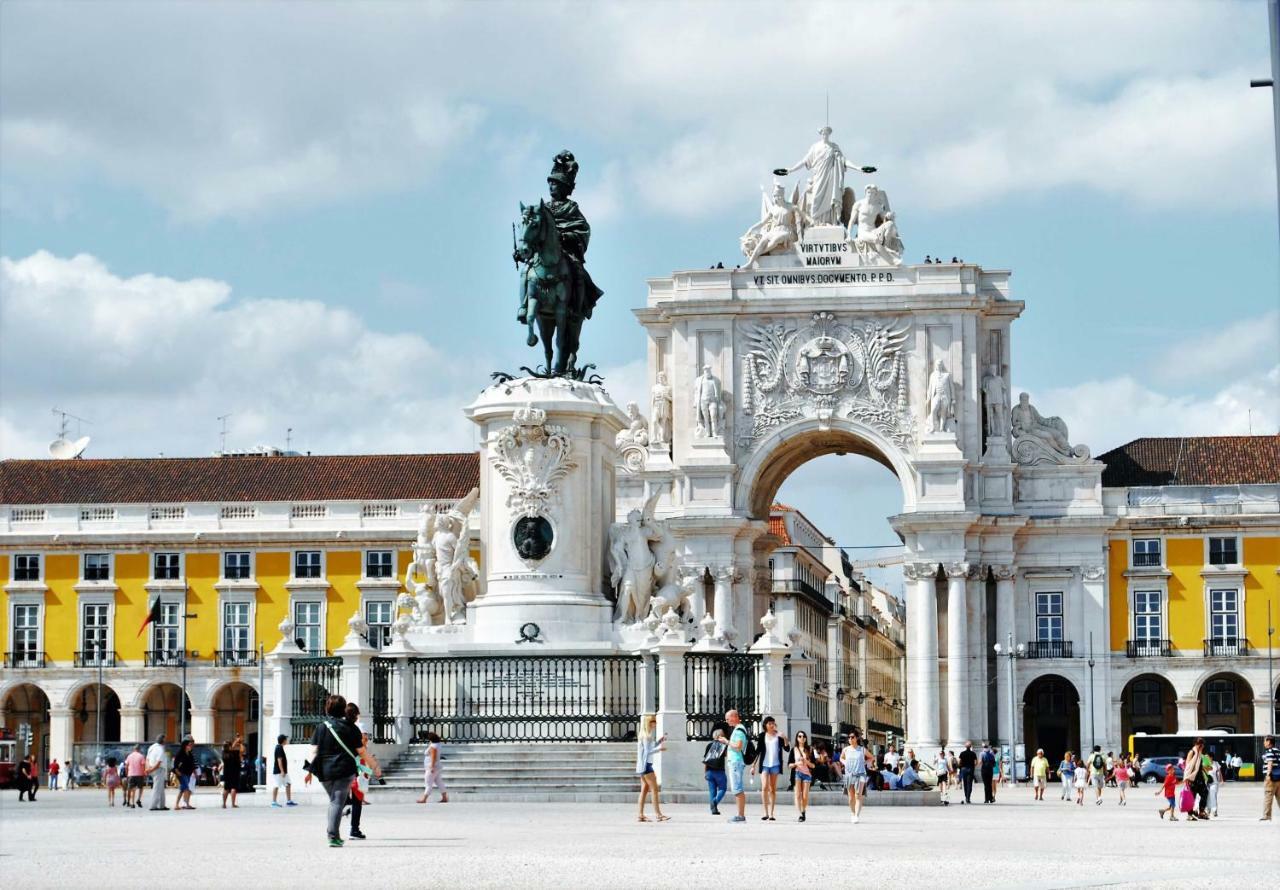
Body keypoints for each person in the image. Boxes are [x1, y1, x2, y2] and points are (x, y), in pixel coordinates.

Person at [303, 693, 365, 848]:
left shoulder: (321, 727)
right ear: (344, 709)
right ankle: (333, 836)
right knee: (337, 802)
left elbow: (313, 751)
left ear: (328, 708)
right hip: (344, 769)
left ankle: (334, 830)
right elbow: (361, 751)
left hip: (324, 771)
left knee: (334, 802)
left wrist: (309, 771)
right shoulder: (351, 727)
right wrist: (374, 767)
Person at [346, 707, 381, 840]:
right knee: (356, 802)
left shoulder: (347, 733)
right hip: (357, 773)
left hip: (346, 770)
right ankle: (354, 829)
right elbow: (361, 760)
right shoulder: (359, 744)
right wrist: (372, 768)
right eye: (365, 736)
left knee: (345, 800)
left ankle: (337, 828)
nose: (367, 738)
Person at [751, 716, 788, 821]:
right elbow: (758, 751)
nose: (771, 725)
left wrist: (785, 738)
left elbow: (787, 748)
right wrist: (753, 765)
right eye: (769, 723)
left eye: (773, 723)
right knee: (764, 787)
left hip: (775, 765)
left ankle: (771, 813)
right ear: (765, 725)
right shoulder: (762, 736)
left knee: (772, 789)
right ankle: (765, 812)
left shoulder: (778, 736)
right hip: (764, 765)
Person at [633, 715, 668, 822]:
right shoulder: (647, 736)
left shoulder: (644, 735)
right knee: (654, 789)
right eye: (654, 721)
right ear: (649, 723)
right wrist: (660, 750)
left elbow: (649, 748)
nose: (655, 723)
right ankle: (658, 815)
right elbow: (648, 751)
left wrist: (659, 741)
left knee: (644, 790)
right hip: (647, 766)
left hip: (642, 766)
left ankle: (640, 814)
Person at [724, 709, 750, 823]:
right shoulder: (738, 729)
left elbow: (738, 746)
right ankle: (740, 815)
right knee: (737, 788)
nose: (726, 721)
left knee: (737, 788)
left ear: (734, 717)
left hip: (736, 762)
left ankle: (740, 815)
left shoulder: (739, 730)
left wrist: (726, 741)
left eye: (727, 718)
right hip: (735, 761)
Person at [840, 731, 870, 824]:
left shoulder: (862, 749)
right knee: (850, 797)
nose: (850, 739)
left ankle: (857, 815)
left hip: (860, 774)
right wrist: (844, 762)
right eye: (849, 737)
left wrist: (864, 763)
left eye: (852, 737)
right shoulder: (845, 750)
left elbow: (871, 757)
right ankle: (853, 814)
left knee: (858, 795)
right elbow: (841, 758)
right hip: (849, 774)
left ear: (856, 738)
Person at [416, 730, 449, 805]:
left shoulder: (433, 746)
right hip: (437, 766)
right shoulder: (438, 744)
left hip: (432, 767)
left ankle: (424, 799)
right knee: (439, 782)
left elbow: (433, 757)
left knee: (428, 782)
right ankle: (444, 797)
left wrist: (432, 767)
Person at [702, 726, 728, 816]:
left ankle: (714, 810)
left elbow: (706, 759)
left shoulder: (709, 745)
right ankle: (714, 802)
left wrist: (705, 772)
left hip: (709, 771)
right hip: (719, 771)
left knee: (712, 791)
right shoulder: (723, 745)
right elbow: (727, 755)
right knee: (723, 788)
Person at [789, 730, 814, 822]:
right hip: (797, 773)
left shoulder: (810, 749)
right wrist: (796, 763)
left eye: (803, 736)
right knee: (797, 795)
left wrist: (806, 761)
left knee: (805, 796)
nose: (801, 738)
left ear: (806, 738)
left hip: (807, 774)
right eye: (799, 736)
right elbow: (789, 765)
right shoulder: (793, 750)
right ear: (797, 738)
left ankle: (803, 810)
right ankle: (801, 813)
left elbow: (814, 765)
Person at [1183, 738, 1209, 819]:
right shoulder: (1192, 752)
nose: (1202, 746)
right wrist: (1187, 778)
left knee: (1205, 793)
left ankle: (1201, 812)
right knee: (1191, 797)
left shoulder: (1200, 753)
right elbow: (1188, 766)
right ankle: (1189, 814)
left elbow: (1199, 767)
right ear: (1197, 744)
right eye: (1201, 745)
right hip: (1192, 779)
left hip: (1200, 778)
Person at [271, 733, 296, 807]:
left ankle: (289, 801)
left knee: (288, 784)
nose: (287, 740)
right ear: (283, 740)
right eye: (286, 739)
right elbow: (279, 760)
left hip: (283, 771)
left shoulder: (280, 747)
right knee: (276, 785)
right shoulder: (279, 748)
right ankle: (274, 802)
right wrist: (282, 771)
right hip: (279, 772)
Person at [145, 733, 169, 811]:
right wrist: (151, 769)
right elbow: (159, 763)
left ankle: (162, 805)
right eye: (165, 738)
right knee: (156, 788)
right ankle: (153, 805)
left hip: (152, 768)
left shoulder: (151, 747)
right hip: (158, 770)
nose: (166, 740)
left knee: (161, 787)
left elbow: (147, 759)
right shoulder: (161, 749)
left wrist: (148, 768)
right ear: (163, 740)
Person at [173, 738, 197, 810]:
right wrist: (177, 771)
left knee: (182, 789)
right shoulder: (180, 753)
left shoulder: (189, 753)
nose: (191, 746)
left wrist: (194, 771)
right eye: (189, 745)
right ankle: (186, 804)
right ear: (185, 746)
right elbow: (175, 764)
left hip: (188, 773)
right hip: (181, 773)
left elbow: (192, 764)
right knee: (186, 788)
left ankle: (177, 804)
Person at [1260, 735, 1280, 821]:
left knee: (1268, 796)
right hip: (1279, 777)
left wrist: (1268, 775)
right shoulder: (1278, 751)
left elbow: (1270, 764)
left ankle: (1267, 816)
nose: (1264, 743)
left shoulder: (1269, 752)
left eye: (1264, 741)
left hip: (1271, 778)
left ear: (1268, 742)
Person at [221, 735, 244, 809]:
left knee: (226, 788)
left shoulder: (224, 754)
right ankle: (233, 804)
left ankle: (224, 804)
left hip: (226, 772)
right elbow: (242, 750)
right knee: (233, 787)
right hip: (234, 772)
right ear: (230, 747)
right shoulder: (234, 753)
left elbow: (231, 748)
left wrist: (236, 741)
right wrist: (239, 743)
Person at [123, 744, 145, 808]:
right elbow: (143, 766)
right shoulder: (141, 756)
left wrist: (127, 774)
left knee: (132, 789)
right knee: (141, 788)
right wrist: (144, 773)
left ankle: (132, 803)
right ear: (139, 749)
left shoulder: (129, 756)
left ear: (134, 749)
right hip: (139, 774)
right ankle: (138, 799)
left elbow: (126, 766)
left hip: (131, 774)